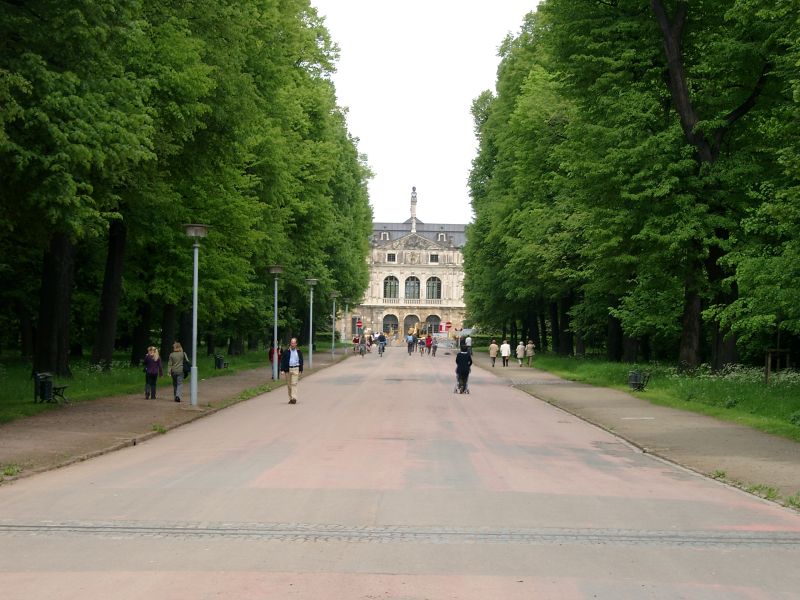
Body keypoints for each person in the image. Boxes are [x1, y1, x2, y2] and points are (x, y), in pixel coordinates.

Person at [280, 337, 304, 404]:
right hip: (288, 369)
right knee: (289, 385)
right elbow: (283, 361)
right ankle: (290, 398)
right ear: (290, 343)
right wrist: (282, 370)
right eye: (291, 343)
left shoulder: (299, 351)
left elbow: (301, 360)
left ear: (296, 344)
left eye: (294, 343)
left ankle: (294, 398)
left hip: (296, 369)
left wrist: (301, 369)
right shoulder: (286, 351)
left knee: (294, 384)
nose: (292, 344)